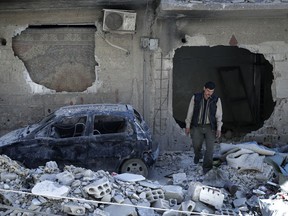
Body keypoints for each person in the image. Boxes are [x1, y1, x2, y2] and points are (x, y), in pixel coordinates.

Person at [185, 81, 223, 174]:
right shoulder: (196, 97)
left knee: (210, 148)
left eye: (211, 91)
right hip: (197, 126)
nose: (209, 93)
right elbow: (190, 112)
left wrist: (219, 128)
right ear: (204, 89)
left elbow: (219, 115)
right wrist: (187, 126)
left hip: (210, 127)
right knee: (196, 145)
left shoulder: (216, 99)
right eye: (207, 91)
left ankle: (207, 168)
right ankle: (198, 155)